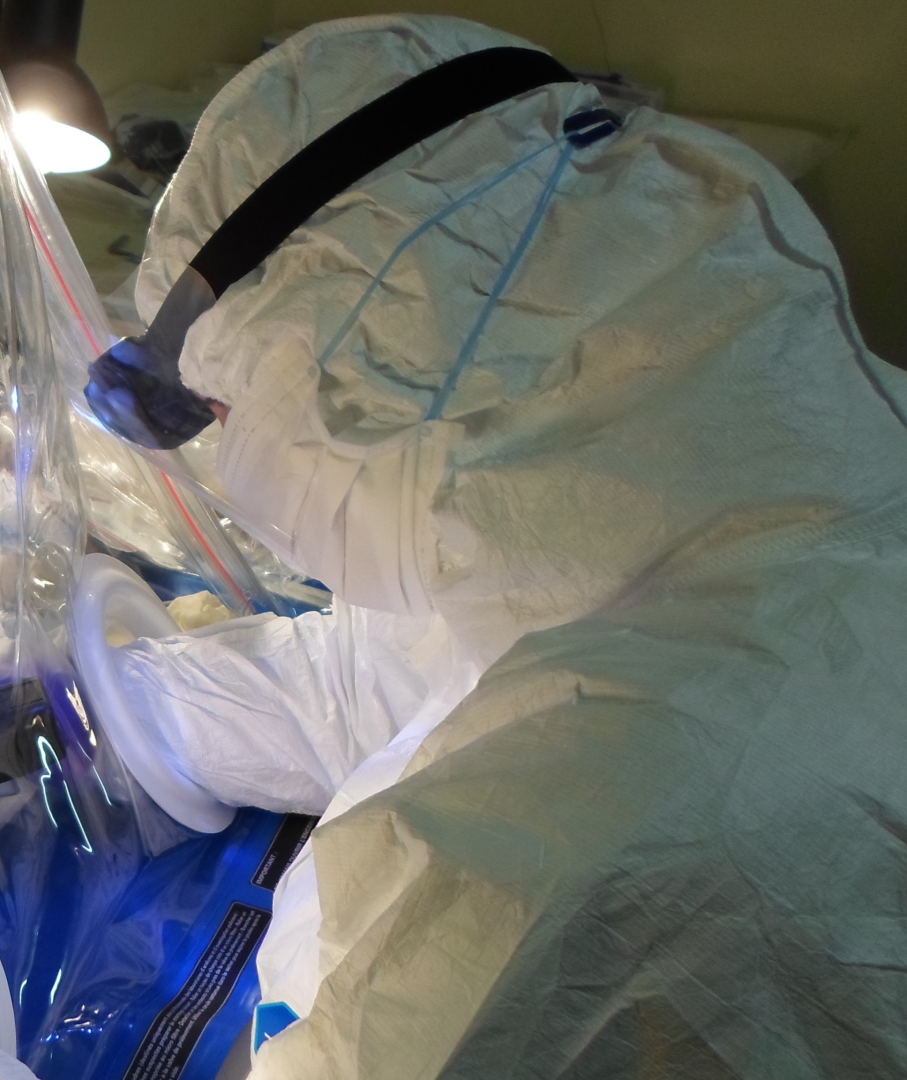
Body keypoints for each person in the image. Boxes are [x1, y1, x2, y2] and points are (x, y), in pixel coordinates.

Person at [96, 13, 907, 1077]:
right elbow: (404, 678)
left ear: (373, 373)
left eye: (222, 410)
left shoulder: (599, 845)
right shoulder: (681, 484)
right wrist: (113, 706)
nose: (223, 461)